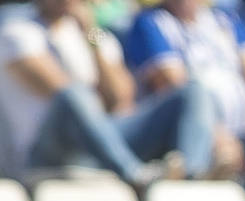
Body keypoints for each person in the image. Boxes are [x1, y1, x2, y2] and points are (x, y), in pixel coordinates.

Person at [0, 0, 216, 185]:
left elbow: (119, 98)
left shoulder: (96, 36)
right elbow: (59, 89)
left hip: (101, 145)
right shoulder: (17, 31)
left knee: (193, 91)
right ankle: (135, 175)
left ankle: (191, 174)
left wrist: (90, 36)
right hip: (45, 152)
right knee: (73, 93)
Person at [123, 0, 245, 179]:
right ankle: (195, 176)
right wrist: (217, 135)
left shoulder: (226, 19)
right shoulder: (150, 22)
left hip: (243, 135)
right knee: (198, 101)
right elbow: (172, 84)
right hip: (191, 138)